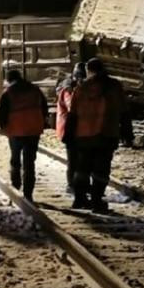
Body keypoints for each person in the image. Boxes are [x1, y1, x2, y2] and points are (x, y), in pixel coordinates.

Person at [65, 57, 133, 214]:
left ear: (89, 70)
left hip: (83, 135)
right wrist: (127, 134)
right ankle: (97, 201)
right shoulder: (114, 87)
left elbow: (72, 115)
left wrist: (69, 136)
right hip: (107, 134)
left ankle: (79, 199)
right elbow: (124, 112)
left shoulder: (81, 88)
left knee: (82, 168)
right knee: (101, 170)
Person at [0, 69, 48, 202]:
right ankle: (28, 194)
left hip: (15, 131)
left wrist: (4, 128)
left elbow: (1, 113)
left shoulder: (8, 93)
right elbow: (44, 108)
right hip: (33, 130)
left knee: (15, 160)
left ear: (9, 80)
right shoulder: (35, 90)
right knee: (29, 162)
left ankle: (15, 187)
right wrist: (41, 123)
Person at [56, 62, 86, 193]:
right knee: (73, 160)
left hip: (78, 128)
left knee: (79, 159)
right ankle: (71, 185)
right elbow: (71, 107)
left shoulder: (72, 88)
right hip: (70, 128)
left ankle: (78, 185)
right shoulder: (68, 90)